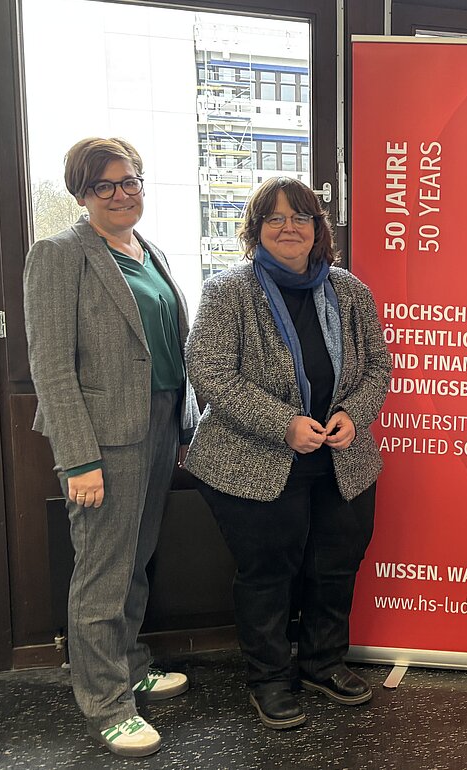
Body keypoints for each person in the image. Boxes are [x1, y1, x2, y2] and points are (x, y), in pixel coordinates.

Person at [183, 177, 391, 730]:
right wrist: (283, 425)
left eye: (300, 217)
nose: (288, 228)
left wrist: (355, 414)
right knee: (268, 574)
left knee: (335, 567)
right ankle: (270, 679)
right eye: (274, 218)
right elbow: (209, 371)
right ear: (256, 230)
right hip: (252, 461)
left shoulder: (350, 291)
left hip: (342, 460)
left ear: (319, 229)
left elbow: (378, 367)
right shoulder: (228, 291)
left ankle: (324, 663)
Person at [24, 137, 196, 757]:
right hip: (102, 438)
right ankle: (106, 702)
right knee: (102, 570)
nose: (121, 194)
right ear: (82, 195)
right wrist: (79, 458)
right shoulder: (59, 254)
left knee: (137, 558)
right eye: (105, 185)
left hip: (159, 422)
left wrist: (182, 427)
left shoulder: (148, 250)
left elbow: (167, 347)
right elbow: (51, 365)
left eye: (131, 181)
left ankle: (129, 663)